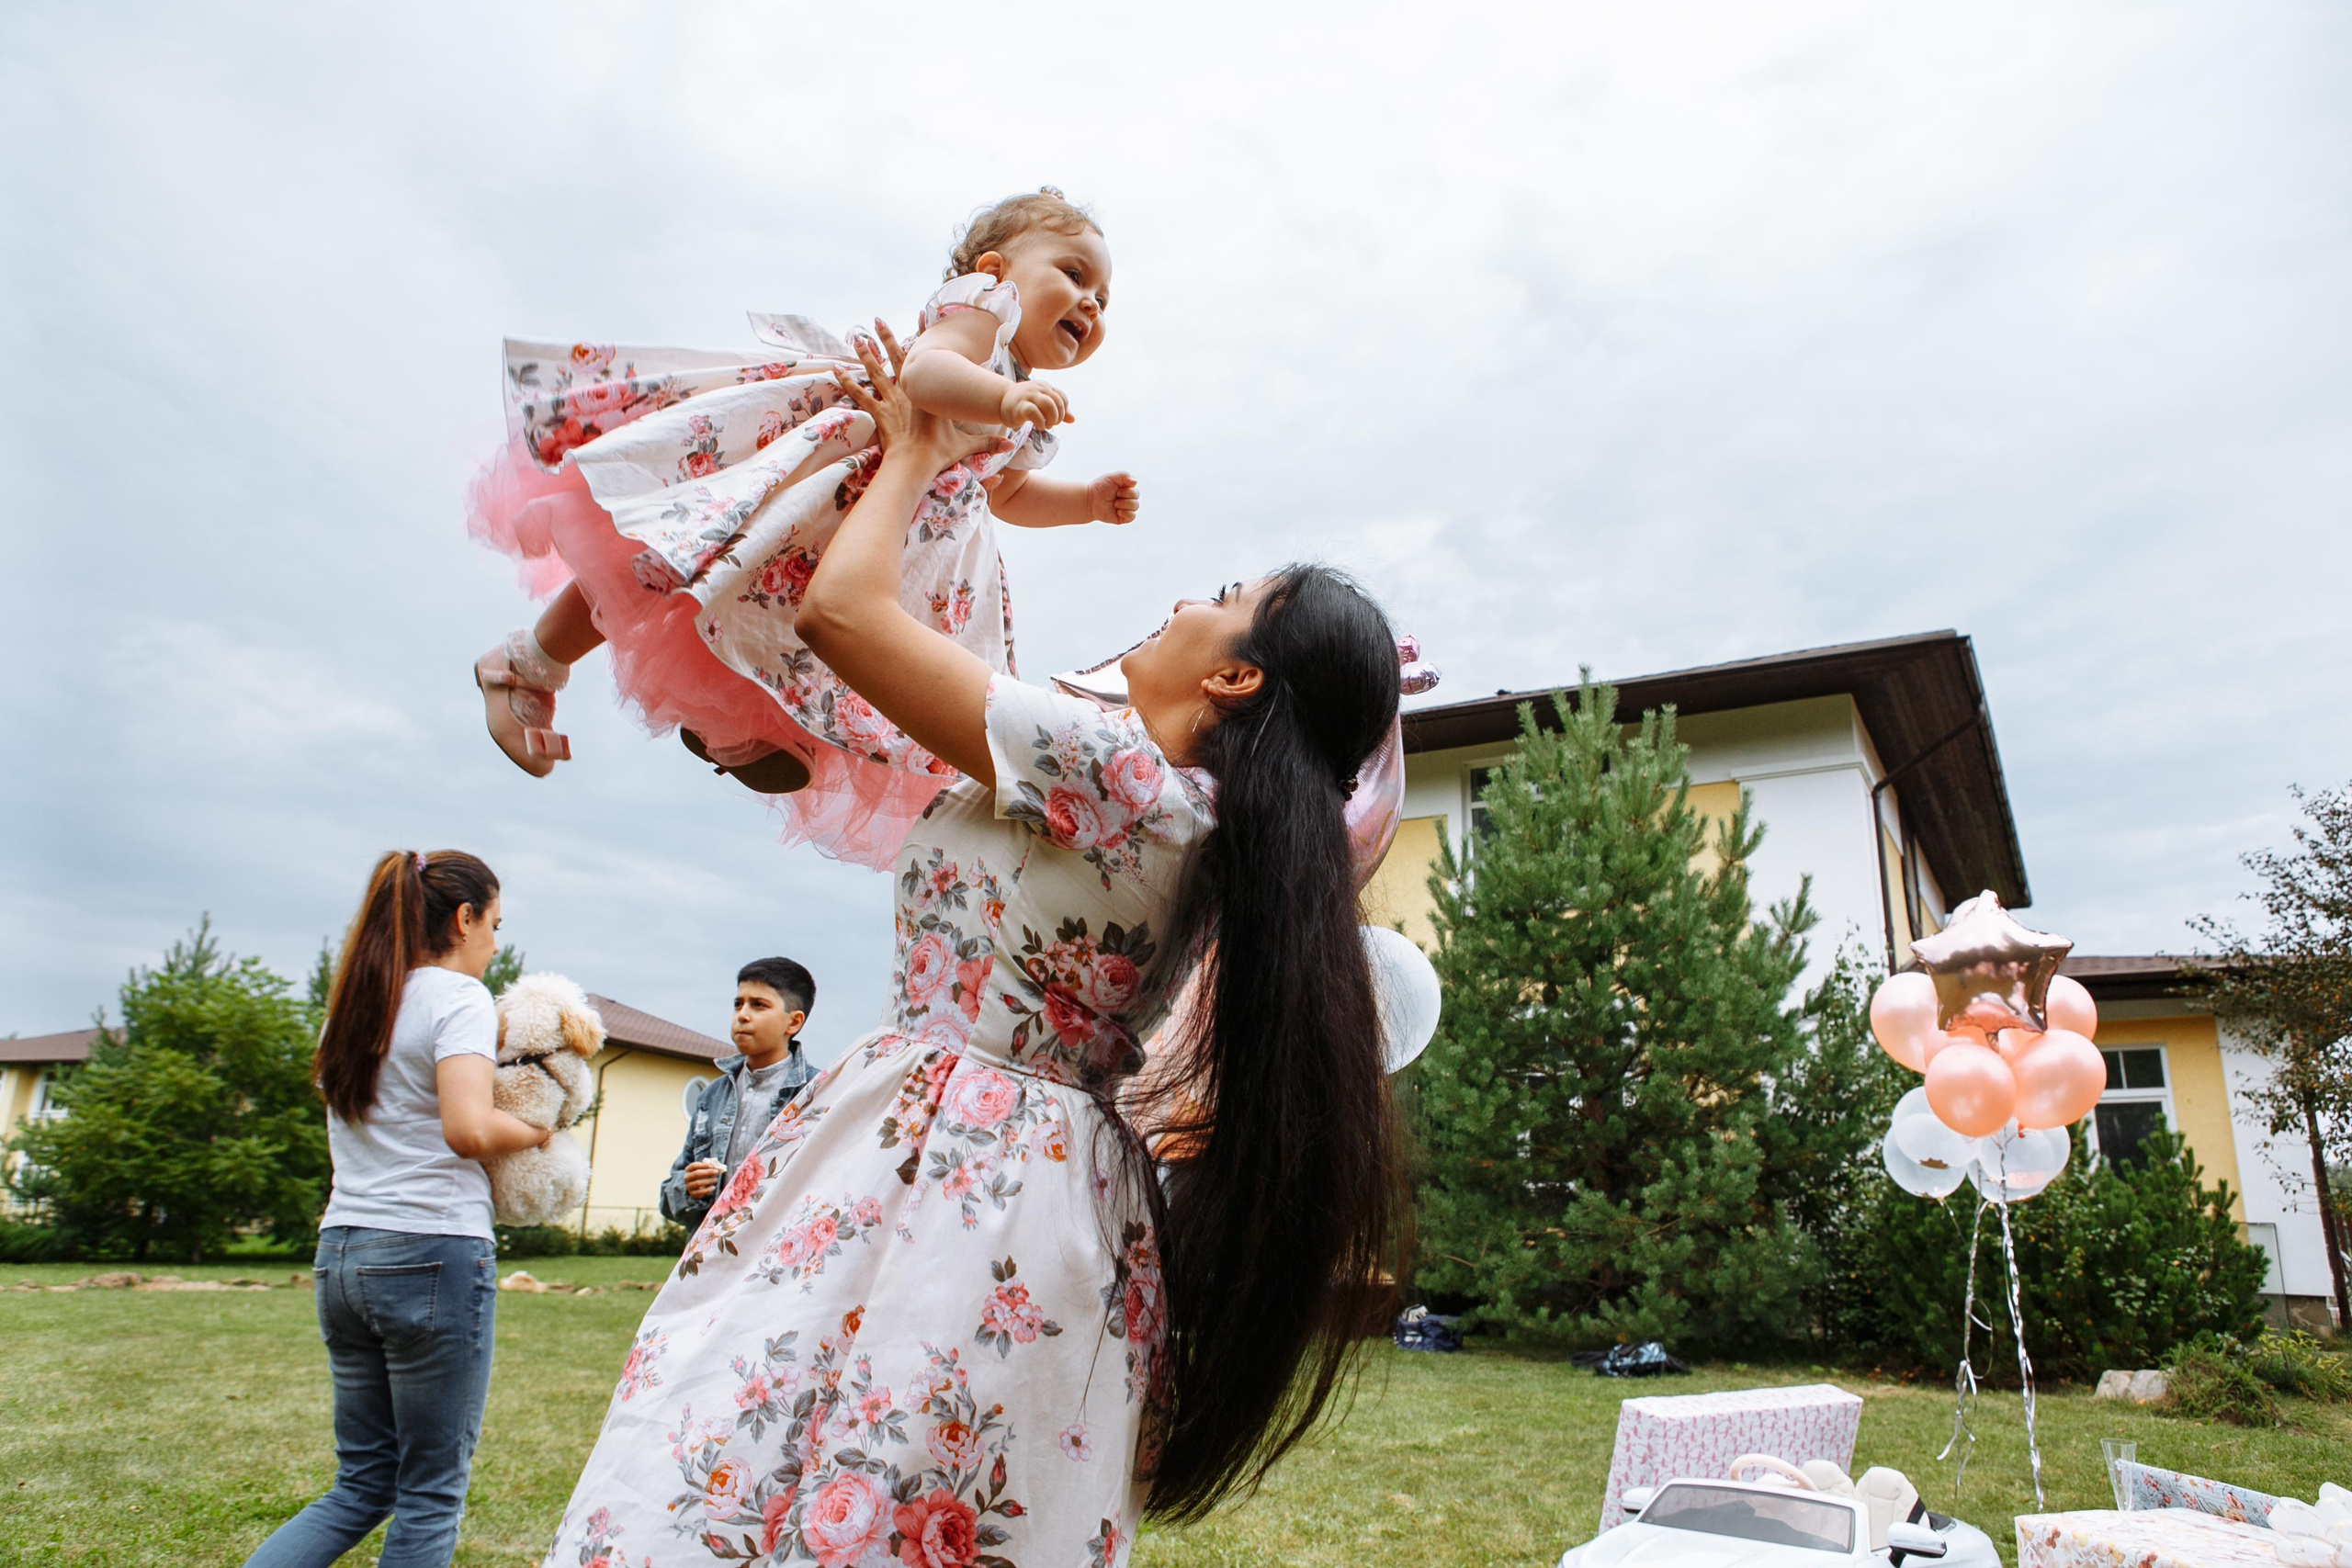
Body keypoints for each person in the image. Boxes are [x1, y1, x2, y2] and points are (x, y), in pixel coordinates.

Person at [537, 333, 1409, 1567]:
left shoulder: (1110, 770)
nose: (1182, 597)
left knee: (771, 1444)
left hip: (952, 1152)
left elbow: (845, 613)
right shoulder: (1197, 824)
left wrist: (914, 446)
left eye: (1222, 594)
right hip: (1047, 1182)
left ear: (1233, 671)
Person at [466, 188, 1139, 870]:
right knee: (678, 561)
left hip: (887, 534)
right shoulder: (983, 322)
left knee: (822, 638)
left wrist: (1084, 500)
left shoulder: (1030, 410)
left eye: (1104, 299)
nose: (1091, 303)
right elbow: (926, 372)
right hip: (831, 476)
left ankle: (748, 727)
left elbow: (1008, 494)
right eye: (1075, 274)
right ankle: (526, 666)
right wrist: (1002, 396)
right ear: (995, 270)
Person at [245, 851, 555, 1568]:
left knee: (360, 1484)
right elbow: (470, 1128)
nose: (496, 943)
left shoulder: (356, 1007)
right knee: (429, 1492)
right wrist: (541, 1129)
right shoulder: (458, 998)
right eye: (495, 925)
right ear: (464, 916)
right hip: (431, 1252)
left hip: (342, 1255)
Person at [659, 957, 821, 1231]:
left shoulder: (818, 1093)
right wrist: (688, 1187)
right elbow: (668, 1201)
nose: (742, 1014)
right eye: (738, 1003)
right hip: (710, 1258)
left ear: (793, 1023)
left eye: (758, 1005)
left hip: (776, 1258)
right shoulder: (711, 1096)